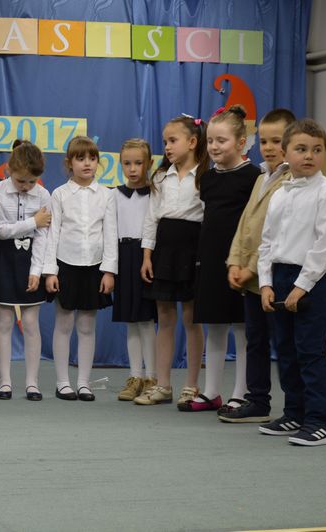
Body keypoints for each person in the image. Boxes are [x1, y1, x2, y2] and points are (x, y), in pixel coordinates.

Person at [257, 119, 326, 446]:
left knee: (310, 351)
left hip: (313, 280)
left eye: (317, 150)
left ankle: (320, 422)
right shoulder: (280, 194)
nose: (309, 155)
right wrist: (266, 283)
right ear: (285, 153)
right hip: (280, 277)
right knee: (286, 351)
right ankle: (294, 413)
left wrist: (302, 285)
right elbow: (267, 243)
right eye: (301, 149)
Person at [180, 105, 261, 412]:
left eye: (221, 141)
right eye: (211, 140)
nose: (214, 146)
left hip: (240, 263)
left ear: (241, 143)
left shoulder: (254, 177)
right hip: (211, 261)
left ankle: (240, 392)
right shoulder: (208, 178)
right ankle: (211, 391)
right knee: (214, 326)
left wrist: (245, 263)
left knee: (241, 327)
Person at [221, 108, 296, 423]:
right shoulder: (262, 176)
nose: (268, 147)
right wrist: (234, 262)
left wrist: (252, 267)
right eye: (263, 141)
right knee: (255, 341)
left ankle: (296, 409)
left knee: (285, 343)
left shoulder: (291, 181)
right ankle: (257, 400)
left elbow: (274, 231)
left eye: (276, 141)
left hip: (274, 275)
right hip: (251, 277)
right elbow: (246, 223)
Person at [135, 115, 208, 406]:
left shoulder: (205, 176)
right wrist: (147, 255)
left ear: (192, 142)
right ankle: (163, 385)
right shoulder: (161, 177)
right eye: (165, 141)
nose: (167, 146)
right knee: (165, 318)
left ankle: (191, 386)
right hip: (164, 249)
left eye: (173, 140)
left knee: (191, 318)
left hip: (192, 248)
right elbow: (151, 218)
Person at [43, 136, 116, 402]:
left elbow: (110, 234)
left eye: (92, 158)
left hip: (94, 267)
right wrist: (50, 271)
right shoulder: (59, 194)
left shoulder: (106, 195)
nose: (87, 163)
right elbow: (53, 234)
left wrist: (109, 271)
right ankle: (63, 382)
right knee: (63, 324)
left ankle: (84, 383)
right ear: (69, 163)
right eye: (80, 158)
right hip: (65, 265)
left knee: (87, 326)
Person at [0, 140, 51, 401]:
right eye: (21, 180)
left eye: (31, 181)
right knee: (3, 322)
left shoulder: (43, 195)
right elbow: (1, 230)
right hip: (3, 258)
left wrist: (37, 271)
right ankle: (4, 382)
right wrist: (34, 221)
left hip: (31, 259)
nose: (26, 186)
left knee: (31, 323)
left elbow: (43, 236)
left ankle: (32, 383)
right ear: (9, 170)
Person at [113, 139, 157, 402]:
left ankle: (152, 377)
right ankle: (135, 376)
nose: (132, 169)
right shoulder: (115, 195)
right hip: (123, 257)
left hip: (146, 257)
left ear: (149, 163)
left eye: (138, 163)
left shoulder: (155, 193)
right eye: (127, 163)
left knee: (146, 319)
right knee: (131, 319)